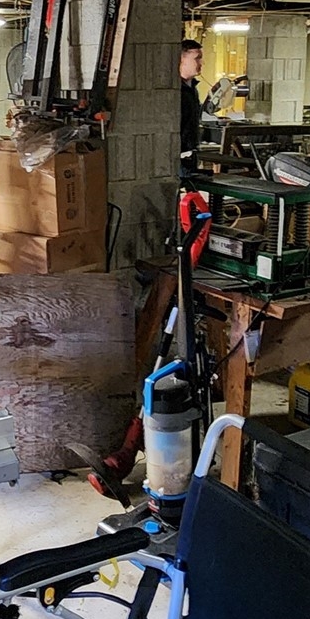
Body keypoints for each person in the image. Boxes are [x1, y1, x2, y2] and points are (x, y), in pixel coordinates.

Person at [68, 40, 210, 506]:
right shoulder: (171, 93)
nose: (200, 62)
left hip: (189, 174)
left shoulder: (192, 92)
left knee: (173, 362)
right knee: (162, 369)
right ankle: (134, 454)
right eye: (194, 56)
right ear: (177, 60)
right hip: (181, 174)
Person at [178, 39, 203, 174]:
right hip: (177, 156)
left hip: (190, 153)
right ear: (182, 59)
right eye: (197, 58)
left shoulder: (192, 88)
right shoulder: (174, 90)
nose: (201, 63)